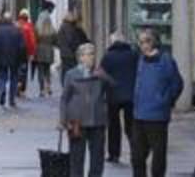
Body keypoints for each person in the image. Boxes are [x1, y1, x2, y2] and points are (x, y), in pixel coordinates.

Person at [132, 29, 184, 177]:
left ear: (154, 41)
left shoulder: (165, 60)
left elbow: (177, 83)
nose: (143, 45)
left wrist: (166, 100)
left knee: (158, 155)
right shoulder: (140, 59)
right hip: (138, 114)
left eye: (147, 41)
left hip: (157, 116)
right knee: (137, 156)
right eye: (141, 42)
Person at [61, 43, 112, 177]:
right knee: (77, 158)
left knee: (97, 158)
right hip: (77, 121)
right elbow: (64, 98)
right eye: (87, 54)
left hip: (97, 120)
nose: (91, 57)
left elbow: (113, 88)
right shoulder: (71, 74)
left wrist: (104, 76)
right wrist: (62, 120)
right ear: (80, 57)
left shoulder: (100, 72)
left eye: (93, 54)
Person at [100, 31, 140, 164]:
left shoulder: (107, 56)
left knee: (113, 126)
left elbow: (102, 76)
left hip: (113, 95)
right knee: (131, 126)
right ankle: (135, 152)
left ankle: (114, 154)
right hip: (131, 95)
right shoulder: (133, 55)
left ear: (112, 42)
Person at [0, 11, 28, 108]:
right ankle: (11, 99)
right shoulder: (17, 31)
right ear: (11, 20)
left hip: (1, 57)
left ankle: (2, 91)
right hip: (14, 58)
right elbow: (22, 46)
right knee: (14, 78)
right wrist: (22, 58)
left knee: (2, 76)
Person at [56, 12, 90, 88]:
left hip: (64, 53)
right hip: (69, 53)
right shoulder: (68, 27)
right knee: (70, 70)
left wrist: (61, 47)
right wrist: (75, 48)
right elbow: (70, 40)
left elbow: (58, 41)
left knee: (65, 70)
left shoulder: (62, 26)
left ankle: (65, 85)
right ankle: (69, 85)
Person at [34, 11, 57, 97]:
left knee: (40, 71)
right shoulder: (52, 30)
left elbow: (35, 40)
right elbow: (55, 41)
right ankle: (48, 86)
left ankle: (42, 89)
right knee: (47, 70)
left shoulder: (38, 29)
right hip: (49, 51)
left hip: (40, 51)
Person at [17, 10, 37, 98]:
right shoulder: (29, 27)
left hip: (15, 51)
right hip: (24, 51)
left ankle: (17, 83)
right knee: (24, 70)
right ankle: (21, 89)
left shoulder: (16, 26)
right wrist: (32, 53)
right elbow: (32, 41)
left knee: (16, 69)